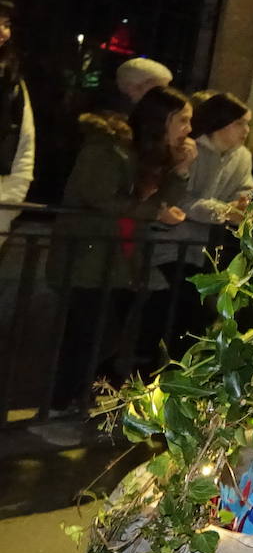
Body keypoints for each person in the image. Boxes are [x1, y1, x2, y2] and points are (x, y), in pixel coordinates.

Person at [47, 86, 194, 411]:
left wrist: (180, 172)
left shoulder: (146, 156)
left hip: (118, 261)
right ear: (162, 120)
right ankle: (56, 408)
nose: (188, 130)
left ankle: (72, 404)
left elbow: (159, 202)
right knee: (86, 338)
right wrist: (154, 212)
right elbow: (99, 198)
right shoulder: (108, 149)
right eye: (183, 120)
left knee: (103, 338)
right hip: (88, 257)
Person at [144, 92, 253, 361]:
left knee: (194, 316)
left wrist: (242, 207)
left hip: (204, 249)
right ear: (223, 123)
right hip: (171, 244)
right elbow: (181, 198)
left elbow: (245, 190)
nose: (246, 130)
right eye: (241, 123)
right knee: (173, 313)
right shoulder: (191, 150)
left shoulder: (242, 157)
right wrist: (222, 211)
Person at [0, 0, 35, 250]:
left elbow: (25, 143)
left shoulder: (11, 84)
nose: (4, 32)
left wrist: (11, 201)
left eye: (6, 24)